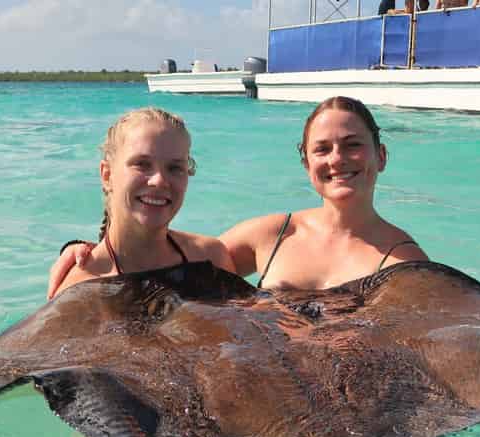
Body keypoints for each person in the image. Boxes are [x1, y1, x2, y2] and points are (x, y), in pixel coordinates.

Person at [47, 96, 427, 297]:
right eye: (322, 148)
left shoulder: (407, 264)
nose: (337, 159)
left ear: (381, 156)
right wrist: (84, 253)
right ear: (307, 162)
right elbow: (157, 258)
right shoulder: (273, 234)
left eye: (353, 145)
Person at [51, 107, 234, 296]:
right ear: (107, 175)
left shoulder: (211, 259)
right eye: (142, 164)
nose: (159, 180)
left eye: (174, 168)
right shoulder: (80, 290)